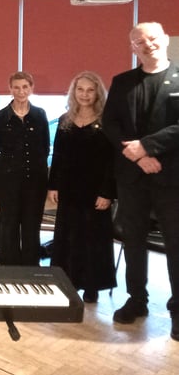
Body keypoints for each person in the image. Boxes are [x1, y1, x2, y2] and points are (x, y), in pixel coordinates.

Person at [102, 22, 179, 340]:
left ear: (163, 40)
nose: (146, 44)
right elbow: (110, 123)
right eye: (138, 41)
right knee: (132, 241)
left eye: (151, 38)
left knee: (176, 245)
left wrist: (148, 146)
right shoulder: (122, 82)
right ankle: (137, 300)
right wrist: (137, 155)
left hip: (172, 177)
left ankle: (178, 310)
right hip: (133, 177)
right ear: (132, 47)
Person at [48, 71, 116, 303]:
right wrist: (53, 185)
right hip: (69, 189)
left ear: (97, 92)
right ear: (73, 92)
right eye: (80, 89)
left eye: (89, 90)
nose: (84, 94)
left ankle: (92, 285)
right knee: (68, 236)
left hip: (95, 191)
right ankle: (69, 282)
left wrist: (107, 192)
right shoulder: (65, 120)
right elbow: (57, 155)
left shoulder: (107, 121)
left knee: (93, 238)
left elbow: (112, 161)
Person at [0, 71, 49, 266]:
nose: (21, 91)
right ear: (10, 89)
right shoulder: (0, 117)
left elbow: (45, 146)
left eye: (25, 87)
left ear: (31, 88)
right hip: (8, 180)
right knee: (9, 224)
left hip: (35, 180)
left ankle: (31, 267)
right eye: (16, 87)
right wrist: (3, 169)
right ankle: (9, 267)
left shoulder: (39, 115)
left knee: (32, 224)